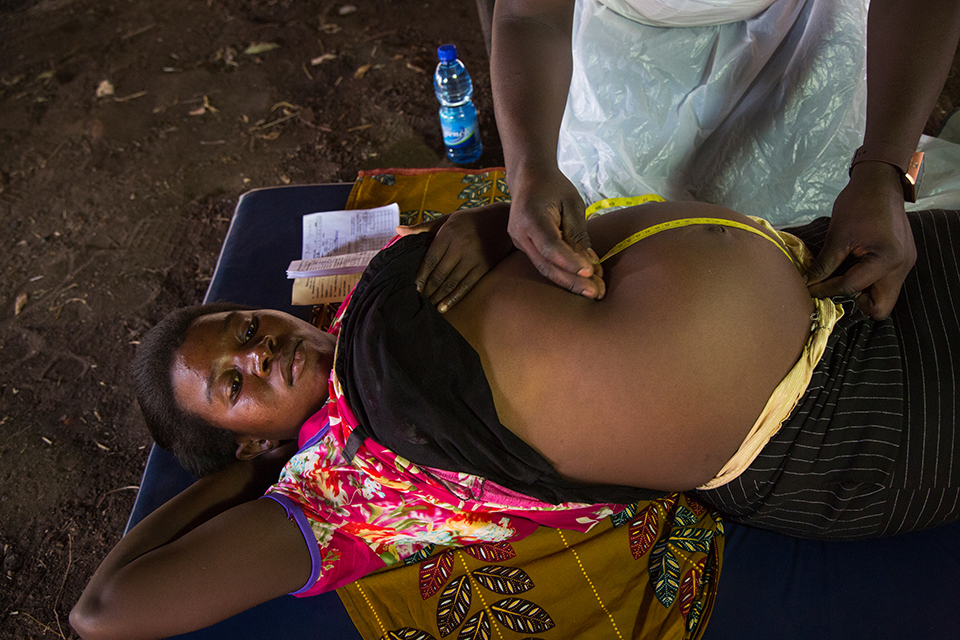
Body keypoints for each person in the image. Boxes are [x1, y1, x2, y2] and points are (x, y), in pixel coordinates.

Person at [71, 201, 960, 640]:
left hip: (839, 266)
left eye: (247, 330)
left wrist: (489, 222)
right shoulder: (337, 493)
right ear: (254, 437)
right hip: (847, 426)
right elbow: (102, 614)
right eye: (235, 383)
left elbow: (561, 233)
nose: (258, 352)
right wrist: (243, 477)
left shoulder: (373, 289)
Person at [488, 0, 960, 321]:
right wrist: (531, 167)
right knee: (610, 223)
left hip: (804, 39)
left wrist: (882, 166)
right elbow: (531, 14)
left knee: (807, 239)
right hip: (620, 62)